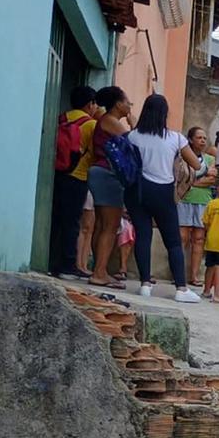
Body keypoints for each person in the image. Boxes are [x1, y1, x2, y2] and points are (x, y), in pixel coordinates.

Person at [126, 94, 212, 303]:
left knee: (143, 236)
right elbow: (196, 165)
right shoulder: (175, 138)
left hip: (136, 190)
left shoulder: (133, 136)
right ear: (164, 114)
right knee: (173, 241)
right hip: (163, 192)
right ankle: (181, 289)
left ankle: (145, 284)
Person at [87, 86, 135, 289]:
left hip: (98, 172)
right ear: (118, 104)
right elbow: (133, 143)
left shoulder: (104, 120)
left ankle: (100, 269)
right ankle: (99, 273)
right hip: (108, 174)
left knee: (101, 225)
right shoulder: (111, 122)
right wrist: (133, 123)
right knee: (110, 226)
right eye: (127, 102)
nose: (129, 106)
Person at [48, 86, 98, 280]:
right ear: (90, 104)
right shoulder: (91, 125)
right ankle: (68, 266)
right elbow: (95, 153)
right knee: (72, 223)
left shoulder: (62, 118)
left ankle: (51, 261)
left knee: (57, 219)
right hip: (78, 176)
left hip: (58, 173)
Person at [179, 127, 219, 287]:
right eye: (199, 137)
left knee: (198, 239)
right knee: (183, 238)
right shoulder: (183, 157)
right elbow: (181, 177)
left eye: (204, 138)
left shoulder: (209, 159)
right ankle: (178, 274)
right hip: (185, 200)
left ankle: (193, 276)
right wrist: (198, 180)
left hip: (203, 201)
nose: (202, 141)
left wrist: (192, 182)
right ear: (190, 140)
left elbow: (211, 179)